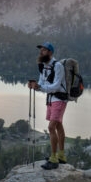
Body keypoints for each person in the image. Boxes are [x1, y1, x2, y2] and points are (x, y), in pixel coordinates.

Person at [28, 41, 68, 170]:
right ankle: (61, 155)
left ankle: (54, 158)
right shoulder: (43, 66)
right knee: (58, 125)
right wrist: (35, 86)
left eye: (44, 50)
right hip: (51, 99)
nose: (41, 52)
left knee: (51, 127)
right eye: (41, 50)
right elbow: (41, 82)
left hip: (59, 99)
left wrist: (41, 87)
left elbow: (56, 86)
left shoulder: (58, 66)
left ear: (50, 52)